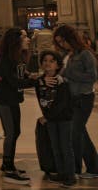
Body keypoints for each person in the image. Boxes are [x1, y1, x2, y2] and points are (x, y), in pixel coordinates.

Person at [54, 24, 98, 179]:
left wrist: (71, 76)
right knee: (80, 133)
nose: (61, 44)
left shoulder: (85, 54)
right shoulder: (70, 55)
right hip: (72, 98)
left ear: (70, 38)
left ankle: (79, 168)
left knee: (76, 133)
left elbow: (93, 76)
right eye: (58, 42)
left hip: (84, 97)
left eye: (62, 41)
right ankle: (92, 167)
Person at [0, 27, 34, 184]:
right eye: (24, 37)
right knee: (11, 132)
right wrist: (35, 82)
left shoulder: (16, 57)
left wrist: (31, 77)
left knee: (15, 131)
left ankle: (6, 164)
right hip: (5, 100)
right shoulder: (5, 58)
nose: (28, 39)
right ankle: (8, 168)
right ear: (15, 41)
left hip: (13, 99)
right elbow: (13, 81)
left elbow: (20, 75)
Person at [35, 50, 76, 186]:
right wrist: (47, 116)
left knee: (65, 147)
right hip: (51, 119)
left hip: (64, 118)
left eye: (52, 61)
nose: (48, 63)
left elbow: (61, 104)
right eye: (45, 60)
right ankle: (61, 173)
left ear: (58, 65)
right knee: (55, 146)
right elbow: (41, 99)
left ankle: (70, 176)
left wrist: (47, 117)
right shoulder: (40, 81)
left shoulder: (61, 81)